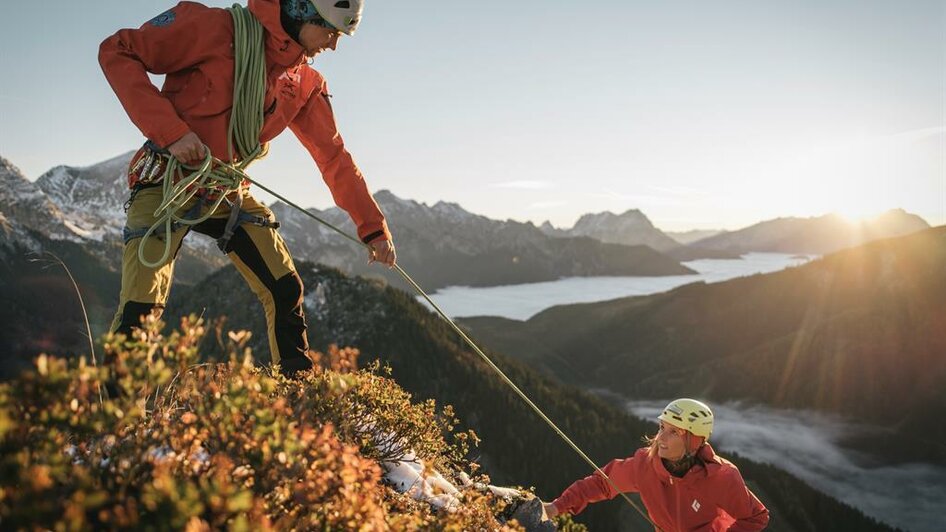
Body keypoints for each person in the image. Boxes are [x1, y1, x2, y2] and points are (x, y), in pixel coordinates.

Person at [99, 0, 395, 376]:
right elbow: (117, 50)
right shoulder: (213, 29)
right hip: (166, 181)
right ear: (302, 12)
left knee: (285, 288)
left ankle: (298, 391)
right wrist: (172, 133)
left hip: (224, 191)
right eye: (332, 32)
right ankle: (117, 422)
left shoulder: (303, 83)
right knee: (142, 308)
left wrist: (372, 228)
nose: (333, 45)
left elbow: (333, 157)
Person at [544, 398, 769, 531]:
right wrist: (557, 506)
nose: (661, 437)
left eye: (674, 432)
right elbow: (602, 484)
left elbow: (756, 516)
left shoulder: (721, 476)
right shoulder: (645, 465)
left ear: (695, 441)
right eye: (662, 427)